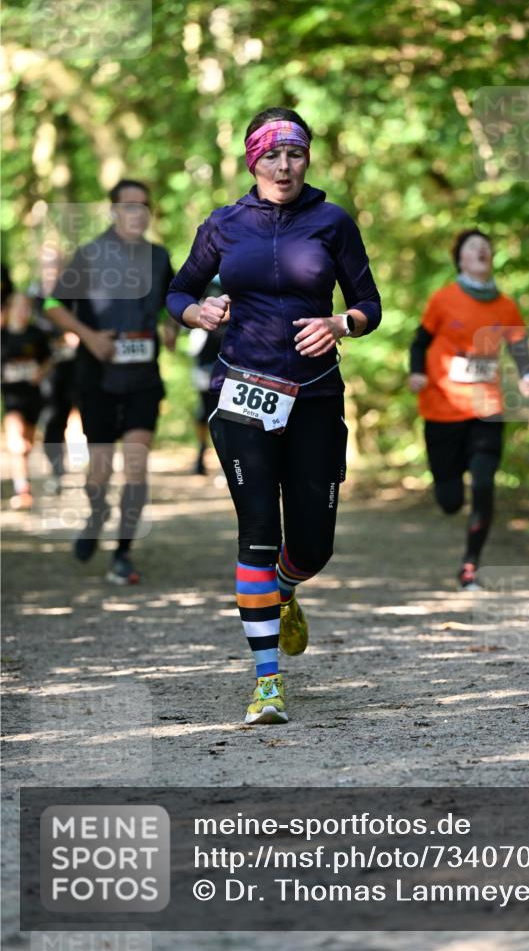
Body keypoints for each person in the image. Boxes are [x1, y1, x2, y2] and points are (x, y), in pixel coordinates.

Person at [167, 106, 381, 725]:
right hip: (243, 392)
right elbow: (178, 290)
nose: (283, 166)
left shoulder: (332, 221)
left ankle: (285, 589)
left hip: (314, 393)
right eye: (271, 155)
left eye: (295, 154)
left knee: (312, 546)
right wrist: (196, 314)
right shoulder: (224, 224)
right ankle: (267, 683)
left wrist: (343, 323)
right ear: (251, 160)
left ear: (307, 157)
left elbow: (369, 302)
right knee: (257, 532)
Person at [44, 179, 177, 584]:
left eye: (143, 206)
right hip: (97, 377)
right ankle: (97, 512)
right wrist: (90, 337)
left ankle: (122, 552)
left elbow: (176, 302)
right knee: (99, 471)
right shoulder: (88, 255)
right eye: (128, 206)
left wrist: (170, 326)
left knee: (135, 465)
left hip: (143, 377)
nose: (137, 213)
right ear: (114, 211)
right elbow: (52, 305)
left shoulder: (159, 258)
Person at [408, 229, 529, 590]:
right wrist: (417, 372)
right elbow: (420, 341)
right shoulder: (443, 299)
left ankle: (470, 566)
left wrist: (528, 373)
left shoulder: (505, 305)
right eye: (473, 247)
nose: (482, 251)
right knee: (450, 501)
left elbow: (520, 346)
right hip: (442, 408)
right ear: (460, 259)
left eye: (486, 247)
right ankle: (448, 485)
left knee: (483, 484)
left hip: (486, 408)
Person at [29, 245, 80, 495]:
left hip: (79, 365)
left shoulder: (74, 292)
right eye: (48, 263)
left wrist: (78, 333)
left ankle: (91, 467)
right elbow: (33, 329)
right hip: (49, 369)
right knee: (52, 418)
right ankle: (57, 470)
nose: (53, 268)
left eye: (57, 263)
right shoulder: (34, 295)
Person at [1, 292, 52, 509]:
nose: (23, 312)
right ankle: (22, 490)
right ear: (10, 309)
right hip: (12, 398)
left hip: (34, 397)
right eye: (19, 307)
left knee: (27, 445)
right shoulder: (3, 336)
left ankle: (24, 482)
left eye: (27, 308)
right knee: (16, 443)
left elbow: (49, 359)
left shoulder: (36, 335)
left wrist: (41, 372)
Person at [187, 277, 227, 476]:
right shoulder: (202, 277)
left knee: (229, 412)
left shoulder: (244, 267)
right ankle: (201, 456)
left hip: (234, 357)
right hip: (206, 359)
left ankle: (227, 461)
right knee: (205, 410)